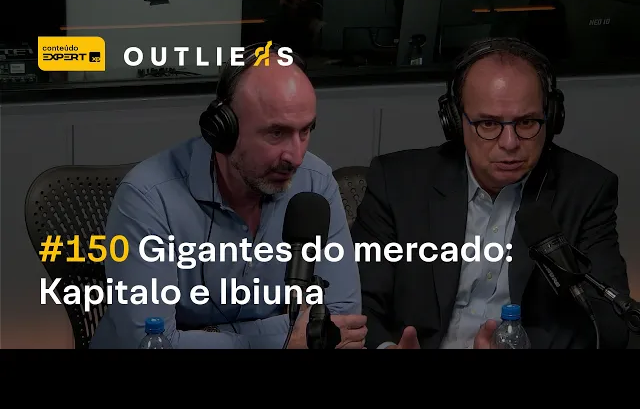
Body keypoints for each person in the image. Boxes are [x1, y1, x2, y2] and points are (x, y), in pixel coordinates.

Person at [352, 37, 630, 349]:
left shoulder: (586, 190)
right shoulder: (398, 182)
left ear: (551, 117)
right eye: (488, 124)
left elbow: (609, 322)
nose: (510, 143)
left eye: (527, 122)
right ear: (455, 121)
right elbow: (355, 299)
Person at [90, 42, 365, 349]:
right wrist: (286, 339)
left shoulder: (315, 182)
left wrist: (207, 335)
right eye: (276, 133)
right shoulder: (147, 198)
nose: (296, 157)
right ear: (223, 129)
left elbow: (343, 320)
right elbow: (151, 341)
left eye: (305, 131)